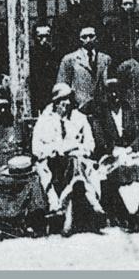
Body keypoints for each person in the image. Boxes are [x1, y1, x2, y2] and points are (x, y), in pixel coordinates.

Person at [32, 83, 104, 236]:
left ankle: (67, 217)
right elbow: (36, 148)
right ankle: (92, 200)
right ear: (55, 102)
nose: (67, 103)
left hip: (77, 162)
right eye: (63, 100)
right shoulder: (44, 120)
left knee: (75, 162)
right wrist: (56, 149)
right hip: (52, 164)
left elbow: (90, 144)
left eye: (69, 99)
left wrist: (78, 148)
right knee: (71, 165)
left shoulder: (80, 118)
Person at [0, 96, 47, 238]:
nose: (2, 110)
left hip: (21, 169)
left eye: (5, 107)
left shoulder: (19, 125)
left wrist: (28, 162)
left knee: (34, 181)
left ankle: (33, 221)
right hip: (0, 170)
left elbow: (28, 149)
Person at [90, 78, 139, 232]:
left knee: (138, 170)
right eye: (110, 92)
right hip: (111, 155)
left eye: (117, 91)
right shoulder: (100, 114)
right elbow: (99, 138)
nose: (114, 95)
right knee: (116, 172)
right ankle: (125, 215)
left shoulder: (131, 110)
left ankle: (137, 214)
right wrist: (113, 150)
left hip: (131, 152)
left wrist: (130, 148)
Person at [56, 26, 112, 114]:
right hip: (78, 111)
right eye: (84, 37)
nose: (88, 40)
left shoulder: (105, 59)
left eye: (91, 36)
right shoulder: (69, 59)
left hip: (101, 111)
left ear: (97, 38)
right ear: (79, 39)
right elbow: (62, 87)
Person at [103, 0, 139, 67]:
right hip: (118, 61)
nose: (128, 7)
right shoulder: (112, 24)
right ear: (120, 5)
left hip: (138, 61)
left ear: (134, 5)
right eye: (125, 4)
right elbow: (107, 44)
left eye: (130, 4)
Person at [29, 24, 60, 113]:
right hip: (36, 96)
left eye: (47, 36)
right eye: (40, 37)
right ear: (34, 37)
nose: (44, 40)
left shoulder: (54, 54)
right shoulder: (30, 56)